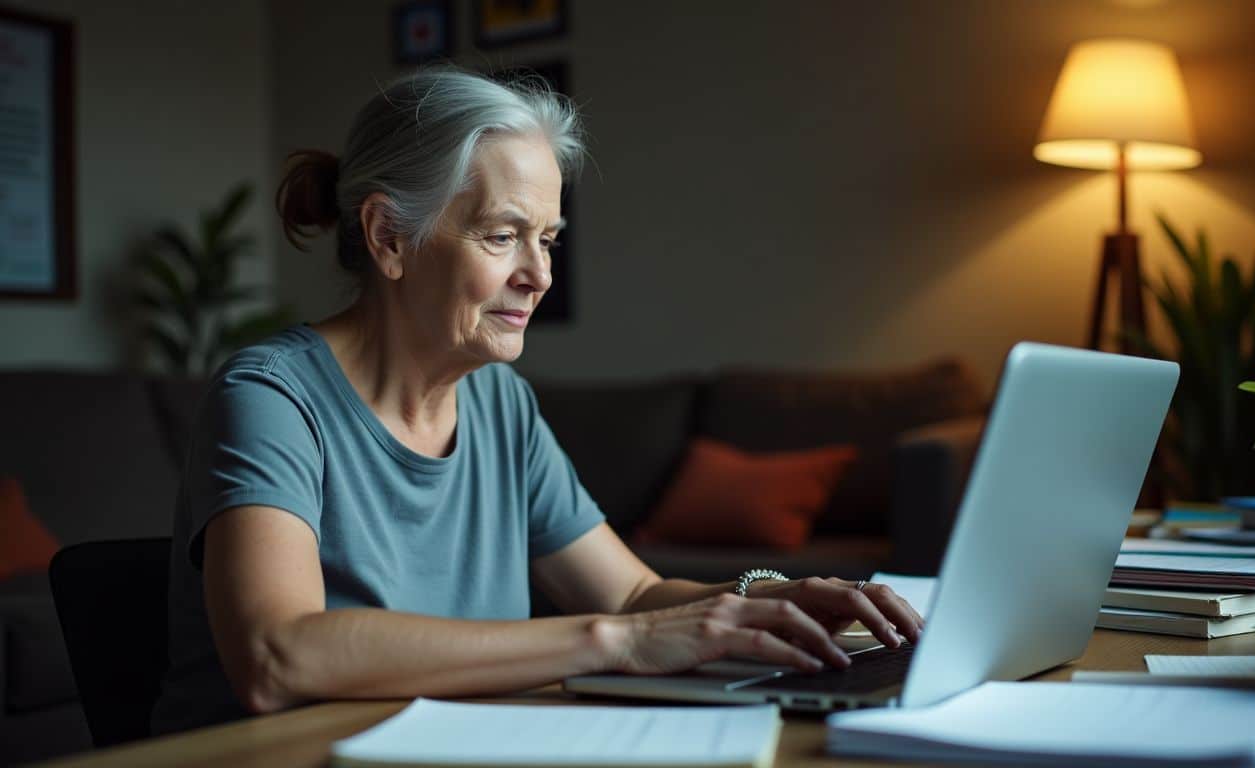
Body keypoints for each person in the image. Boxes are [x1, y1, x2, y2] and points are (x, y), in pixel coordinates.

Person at [151, 67, 923, 735]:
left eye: (547, 239)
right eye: (501, 236)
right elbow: (277, 656)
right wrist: (615, 642)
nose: (538, 275)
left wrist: (776, 598)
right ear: (389, 236)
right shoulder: (272, 396)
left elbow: (632, 593)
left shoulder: (499, 403)